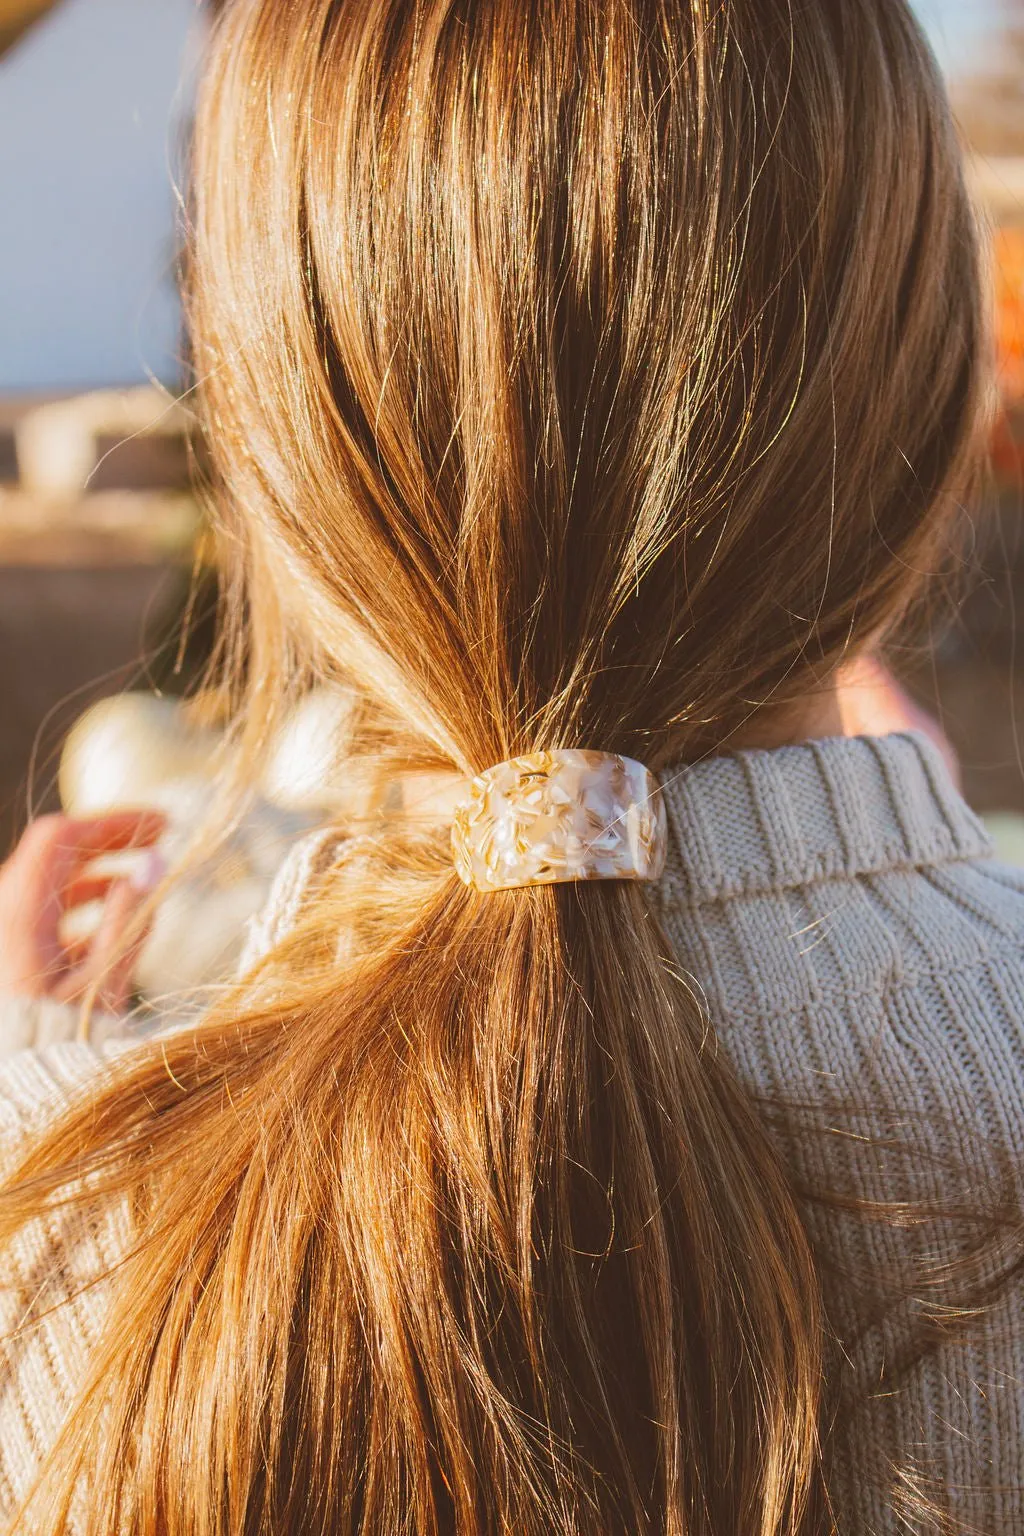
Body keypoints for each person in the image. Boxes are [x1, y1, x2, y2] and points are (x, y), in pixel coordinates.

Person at [0, 0, 1020, 1531]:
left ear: (275, 438)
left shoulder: (55, 1220)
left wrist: (43, 1087)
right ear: (934, 385)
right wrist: (892, 868)